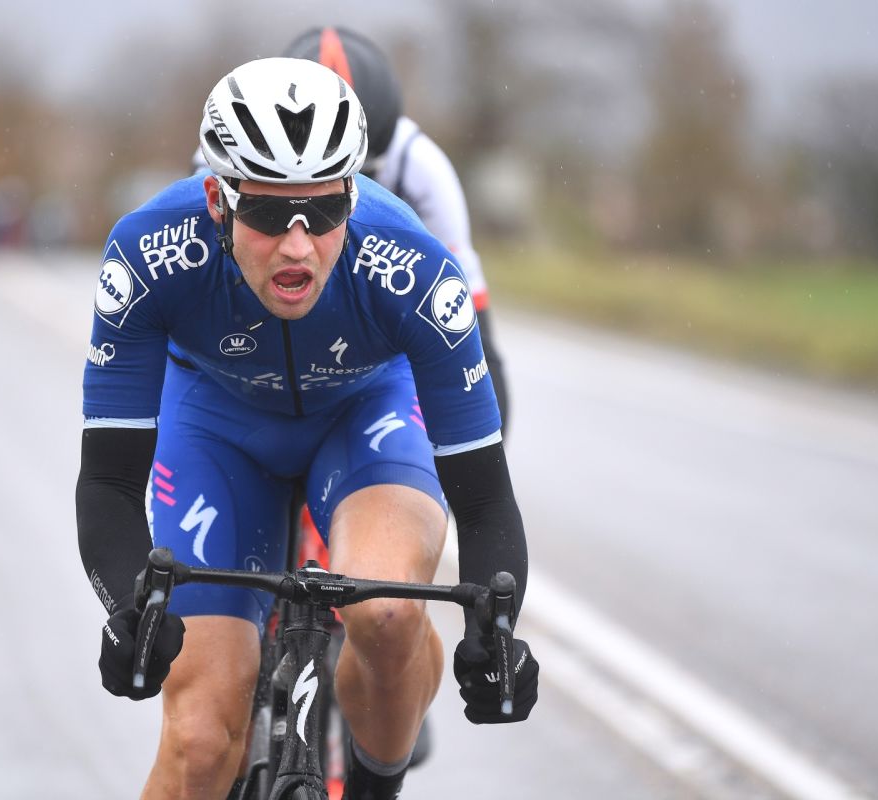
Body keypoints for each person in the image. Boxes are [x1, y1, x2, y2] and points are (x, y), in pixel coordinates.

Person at [77, 57, 536, 800]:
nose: (297, 245)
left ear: (352, 196)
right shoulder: (148, 254)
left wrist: (496, 634)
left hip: (364, 412)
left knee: (388, 615)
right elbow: (108, 481)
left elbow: (483, 498)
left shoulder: (415, 267)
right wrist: (130, 608)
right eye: (266, 214)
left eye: (322, 214)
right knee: (200, 743)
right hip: (217, 426)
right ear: (217, 200)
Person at [288, 26, 511, 428]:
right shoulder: (229, 145)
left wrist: (486, 443)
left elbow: (469, 325)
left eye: (358, 175)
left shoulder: (422, 165)